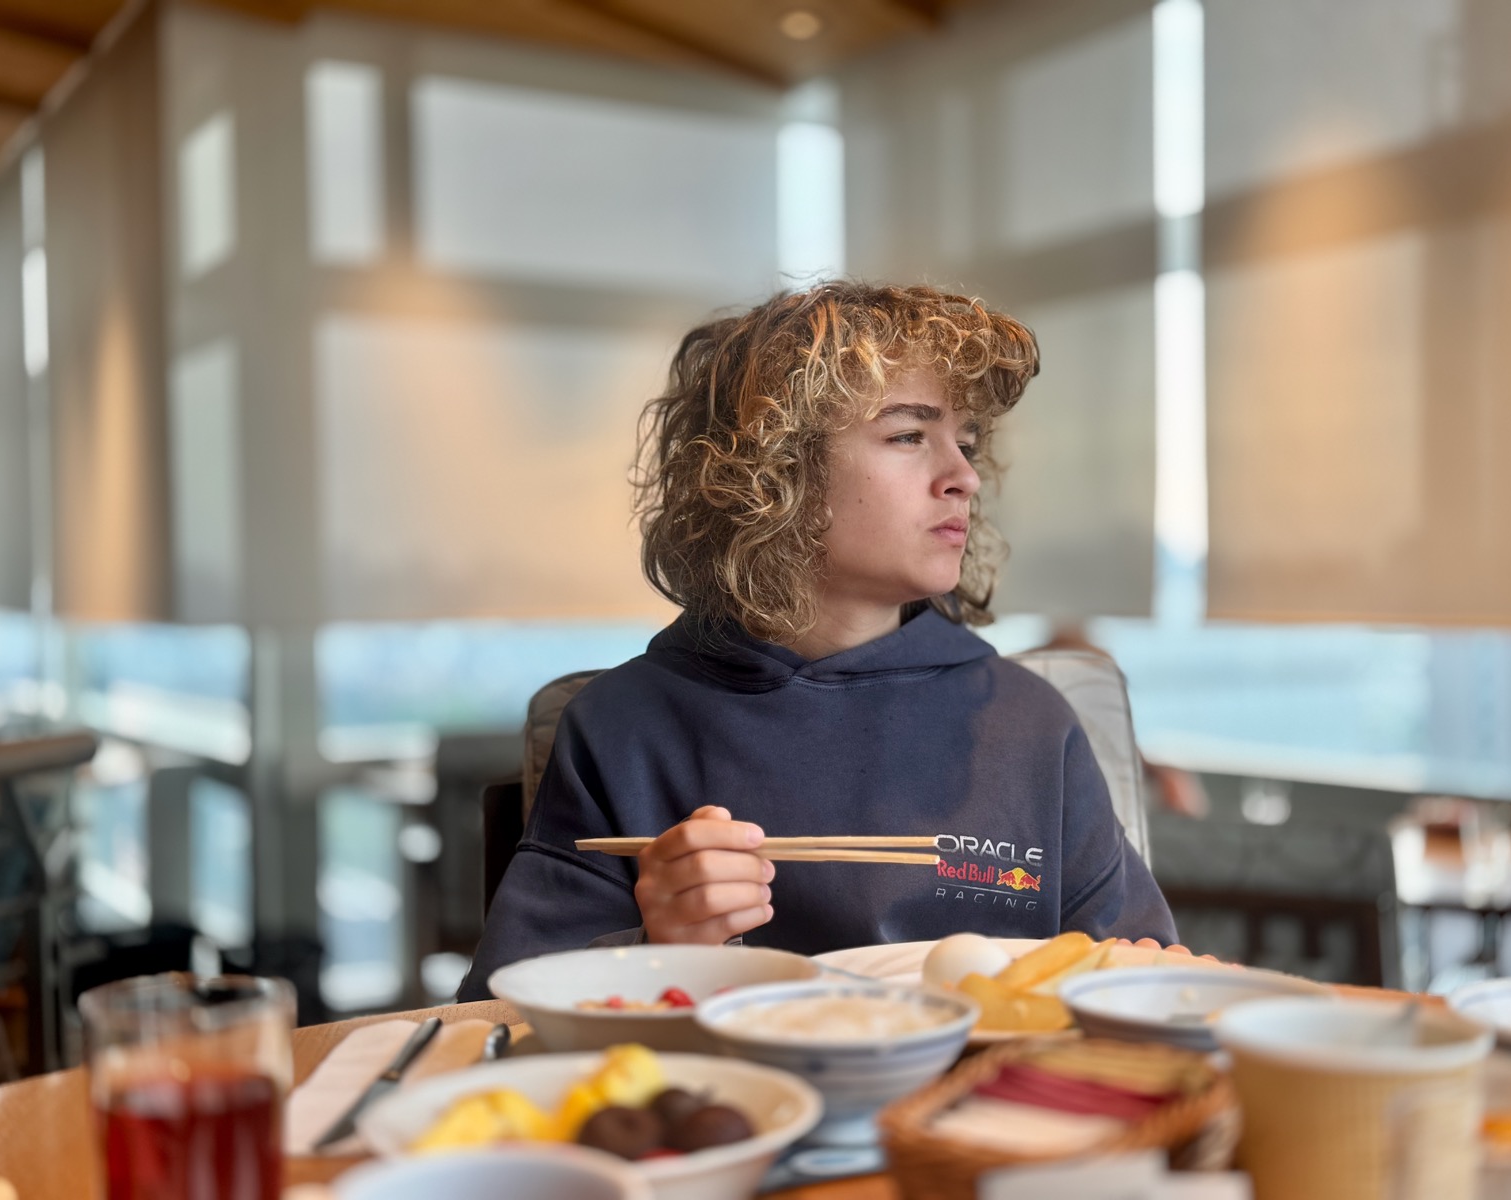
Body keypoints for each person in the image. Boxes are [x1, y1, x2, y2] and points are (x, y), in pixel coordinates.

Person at [458, 282, 1176, 1000]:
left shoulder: (1029, 723)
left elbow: (1148, 984)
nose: (962, 477)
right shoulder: (623, 727)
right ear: (772, 472)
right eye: (907, 435)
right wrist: (660, 947)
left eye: (967, 443)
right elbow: (500, 1012)